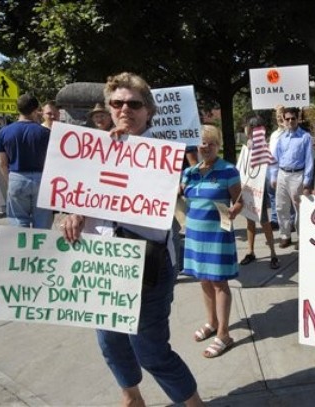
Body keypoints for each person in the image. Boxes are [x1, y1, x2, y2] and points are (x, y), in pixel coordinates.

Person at [60, 72, 203, 407]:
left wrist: (124, 153)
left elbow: (156, 202)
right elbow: (73, 195)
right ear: (108, 108)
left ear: (148, 111)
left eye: (134, 104)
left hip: (148, 267)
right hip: (100, 261)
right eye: (117, 103)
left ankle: (194, 403)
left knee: (151, 351)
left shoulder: (163, 152)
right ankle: (131, 397)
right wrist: (73, 211)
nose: (125, 109)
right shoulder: (87, 150)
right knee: (110, 342)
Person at [181, 124, 243, 358]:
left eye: (210, 143)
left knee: (219, 283)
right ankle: (212, 322)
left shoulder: (228, 171)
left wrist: (234, 209)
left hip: (218, 234)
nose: (205, 147)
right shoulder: (190, 172)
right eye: (202, 143)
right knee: (203, 280)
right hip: (195, 234)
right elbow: (179, 195)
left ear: (217, 145)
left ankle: (224, 334)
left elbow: (239, 200)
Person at [0, 94, 53, 228]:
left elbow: (2, 163)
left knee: (18, 223)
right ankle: (41, 248)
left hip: (17, 177)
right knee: (43, 222)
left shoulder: (4, 132)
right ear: (35, 110)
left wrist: (9, 180)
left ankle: (22, 249)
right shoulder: (46, 132)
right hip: (42, 179)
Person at [270, 107, 314, 249]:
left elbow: (309, 160)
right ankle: (285, 236)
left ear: (297, 119)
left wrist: (307, 181)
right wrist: (273, 176)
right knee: (281, 207)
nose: (290, 121)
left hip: (298, 176)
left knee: (299, 208)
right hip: (282, 174)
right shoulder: (281, 138)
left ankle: (302, 237)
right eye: (287, 119)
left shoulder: (305, 137)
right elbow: (275, 158)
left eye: (293, 118)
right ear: (284, 120)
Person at [240, 116, 280, 270]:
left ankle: (273, 253)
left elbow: (269, 164)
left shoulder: (264, 147)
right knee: (249, 220)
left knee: (264, 221)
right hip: (248, 188)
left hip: (259, 189)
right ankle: (250, 251)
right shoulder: (247, 147)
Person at [267, 105, 286, 230]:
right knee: (273, 196)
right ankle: (274, 219)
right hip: (271, 169)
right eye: (277, 115)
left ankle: (289, 221)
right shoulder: (274, 134)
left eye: (281, 115)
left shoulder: (290, 132)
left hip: (283, 170)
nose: (279, 118)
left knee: (285, 197)